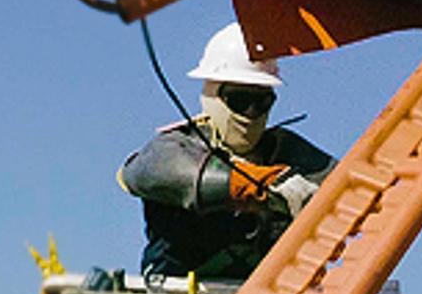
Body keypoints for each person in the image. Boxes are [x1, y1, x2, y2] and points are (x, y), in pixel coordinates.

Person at [118, 22, 335, 279]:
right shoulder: (177, 146)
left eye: (261, 102)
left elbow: (345, 182)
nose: (251, 113)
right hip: (175, 292)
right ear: (213, 95)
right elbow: (142, 172)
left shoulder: (284, 150)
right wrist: (260, 186)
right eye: (240, 100)